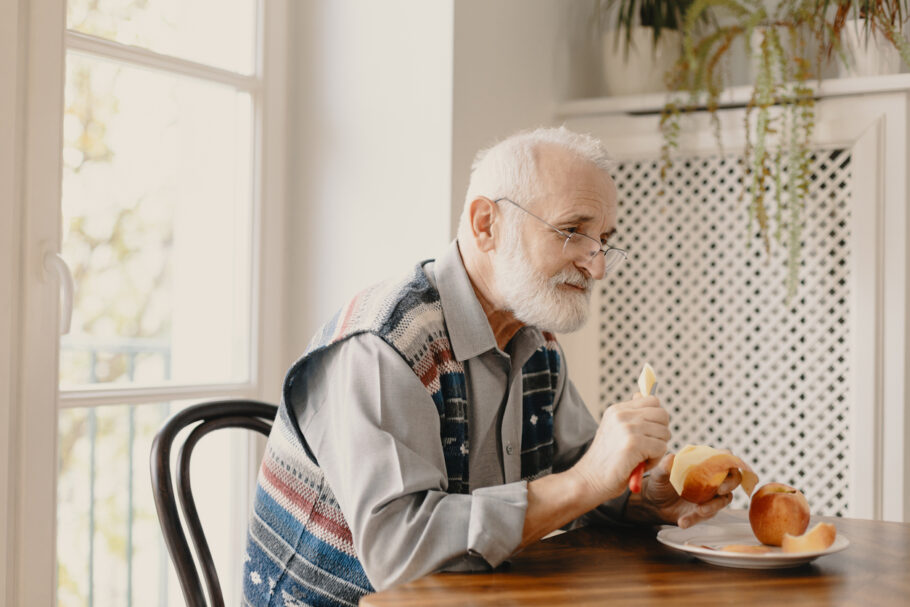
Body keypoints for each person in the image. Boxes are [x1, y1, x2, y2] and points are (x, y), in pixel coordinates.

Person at [243, 127, 741, 607]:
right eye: (572, 232)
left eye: (604, 240)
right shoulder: (382, 346)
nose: (598, 267)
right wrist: (588, 481)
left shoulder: (535, 340)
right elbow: (399, 554)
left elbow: (580, 470)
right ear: (486, 224)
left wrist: (641, 498)